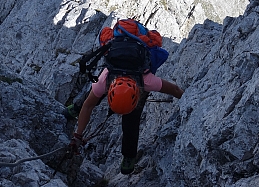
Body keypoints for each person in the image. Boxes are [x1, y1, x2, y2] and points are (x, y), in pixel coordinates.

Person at [70, 21, 184, 175]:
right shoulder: (104, 81)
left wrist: (188, 102)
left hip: (133, 74)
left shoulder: (146, 80)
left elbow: (175, 89)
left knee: (131, 120)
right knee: (92, 95)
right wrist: (78, 135)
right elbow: (88, 105)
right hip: (115, 72)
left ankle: (129, 155)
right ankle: (74, 108)